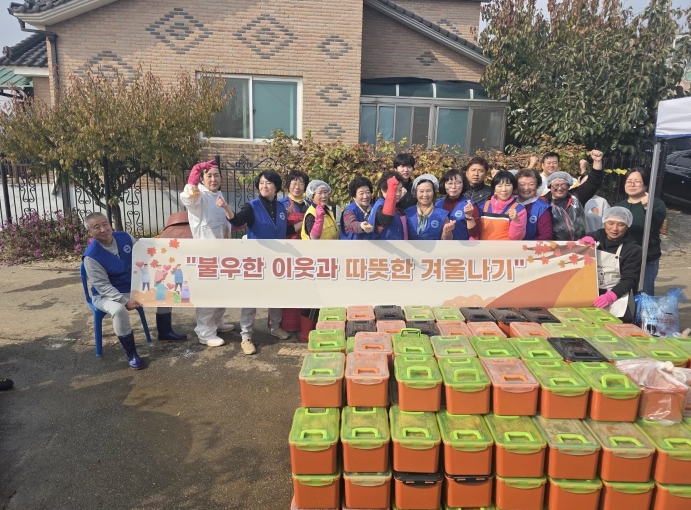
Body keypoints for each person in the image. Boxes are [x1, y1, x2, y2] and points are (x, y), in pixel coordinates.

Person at [82, 212, 187, 370]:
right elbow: (103, 286)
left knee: (165, 288)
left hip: (132, 287)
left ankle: (165, 332)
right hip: (105, 296)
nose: (103, 229)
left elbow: (143, 252)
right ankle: (131, 353)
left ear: (110, 224)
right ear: (90, 232)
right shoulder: (91, 256)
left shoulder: (124, 237)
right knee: (118, 310)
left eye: (105, 224)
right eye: (97, 227)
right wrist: (125, 301)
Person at [218, 170, 292, 354]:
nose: (264, 186)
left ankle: (275, 327)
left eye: (268, 183)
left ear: (276, 187)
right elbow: (237, 221)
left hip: (276, 261)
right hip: (256, 261)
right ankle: (246, 336)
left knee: (276, 295)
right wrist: (226, 208)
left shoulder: (282, 208)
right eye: (261, 183)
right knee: (251, 298)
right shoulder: (252, 206)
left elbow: (287, 229)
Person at [180, 160, 235, 348]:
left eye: (216, 175)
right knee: (208, 294)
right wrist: (194, 174)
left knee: (222, 292)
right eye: (209, 175)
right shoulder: (199, 196)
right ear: (202, 179)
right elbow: (189, 197)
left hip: (223, 253)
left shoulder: (217, 194)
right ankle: (205, 332)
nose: (213, 179)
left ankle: (217, 323)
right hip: (207, 255)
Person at [580, 207, 642, 321]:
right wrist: (583, 242)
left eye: (621, 224)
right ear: (604, 222)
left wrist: (610, 296)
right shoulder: (596, 239)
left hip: (615, 295)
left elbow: (629, 279)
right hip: (588, 292)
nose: (614, 228)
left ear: (627, 226)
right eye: (610, 223)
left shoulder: (633, 249)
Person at [615, 167, 667, 296]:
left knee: (643, 296)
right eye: (629, 181)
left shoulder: (657, 204)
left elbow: (653, 227)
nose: (632, 184)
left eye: (637, 181)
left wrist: (646, 207)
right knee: (621, 297)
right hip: (623, 259)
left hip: (646, 259)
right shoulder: (619, 206)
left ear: (646, 184)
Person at [542, 150, 604, 241]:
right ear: (549, 186)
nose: (560, 188)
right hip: (554, 246)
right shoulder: (543, 202)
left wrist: (597, 161)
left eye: (563, 185)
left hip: (579, 245)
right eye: (556, 185)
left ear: (569, 186)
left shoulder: (577, 196)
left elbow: (594, 182)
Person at [478, 171, 527, 240]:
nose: (504, 189)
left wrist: (516, 221)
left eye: (508, 185)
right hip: (483, 246)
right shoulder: (483, 206)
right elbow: (475, 233)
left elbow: (516, 238)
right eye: (499, 186)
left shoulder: (519, 210)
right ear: (494, 188)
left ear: (513, 187)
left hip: (506, 247)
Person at [404, 174, 453, 240]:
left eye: (428, 191)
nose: (425, 195)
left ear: (434, 192)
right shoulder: (407, 213)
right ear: (415, 193)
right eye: (421, 191)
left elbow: (447, 241)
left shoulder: (442, 215)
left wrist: (446, 233)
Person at [436, 169, 480, 240]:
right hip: (439, 245)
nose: (453, 186)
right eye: (450, 183)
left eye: (458, 183)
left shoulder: (469, 205)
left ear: (463, 184)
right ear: (444, 184)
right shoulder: (437, 204)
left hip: (461, 245)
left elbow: (474, 233)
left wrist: (469, 216)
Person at [369, 171, 408, 240]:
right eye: (394, 190)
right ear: (383, 190)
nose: (398, 194)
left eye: (400, 190)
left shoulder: (396, 207)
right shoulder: (380, 206)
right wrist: (391, 189)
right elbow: (386, 218)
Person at [516, 168, 552, 240]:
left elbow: (546, 235)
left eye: (531, 184)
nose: (526, 188)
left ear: (537, 186)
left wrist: (524, 245)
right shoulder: (509, 203)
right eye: (522, 184)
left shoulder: (542, 208)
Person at [280, 169, 309, 239]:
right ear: (289, 185)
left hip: (307, 243)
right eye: (294, 184)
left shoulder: (309, 205)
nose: (297, 187)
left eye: (301, 184)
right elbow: (280, 230)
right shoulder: (281, 204)